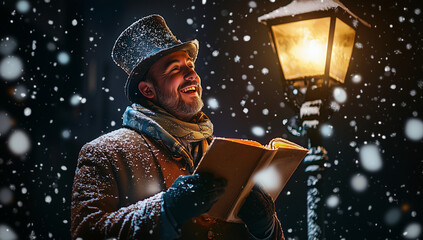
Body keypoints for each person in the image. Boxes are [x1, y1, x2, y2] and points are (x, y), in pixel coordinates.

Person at [70, 14, 285, 240]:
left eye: (190, 66)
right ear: (147, 90)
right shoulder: (105, 152)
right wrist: (166, 209)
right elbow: (85, 233)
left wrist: (267, 230)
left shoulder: (223, 152)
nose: (192, 75)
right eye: (175, 69)